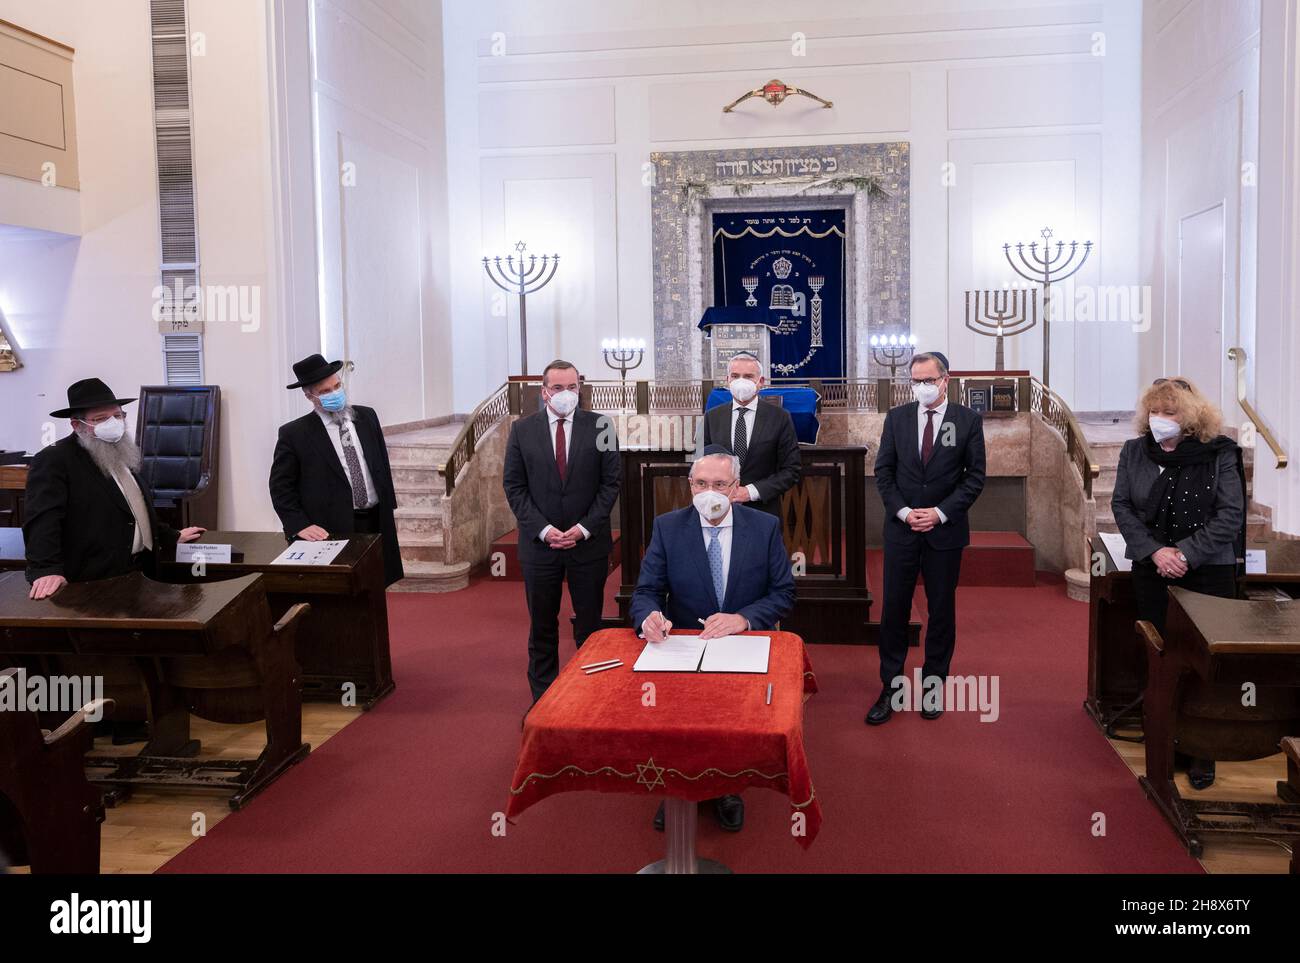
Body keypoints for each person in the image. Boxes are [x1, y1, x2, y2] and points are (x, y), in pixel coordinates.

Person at [630, 447, 796, 832]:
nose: (710, 492)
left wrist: (743, 618)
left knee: (731, 722)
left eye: (720, 484)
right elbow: (645, 592)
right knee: (677, 721)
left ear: (736, 487)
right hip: (683, 643)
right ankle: (674, 789)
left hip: (741, 645)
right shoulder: (668, 527)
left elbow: (784, 593)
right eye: (701, 483)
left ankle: (727, 787)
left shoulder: (763, 527)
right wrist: (649, 617)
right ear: (690, 486)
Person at [1110, 375, 1246, 790]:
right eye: (1154, 412)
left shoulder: (1219, 453)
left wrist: (1185, 553)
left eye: (1169, 413)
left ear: (1189, 419)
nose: (1159, 420)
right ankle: (1165, 739)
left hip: (1208, 568)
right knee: (1162, 654)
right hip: (1153, 568)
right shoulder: (1135, 451)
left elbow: (1230, 514)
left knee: (1204, 657)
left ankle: (1204, 750)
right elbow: (1121, 505)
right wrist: (1156, 551)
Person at [867, 351, 986, 725]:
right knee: (894, 611)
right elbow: (883, 471)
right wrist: (904, 512)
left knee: (940, 612)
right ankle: (891, 688)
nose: (921, 387)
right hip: (901, 530)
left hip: (944, 532)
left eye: (928, 380)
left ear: (945, 380)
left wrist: (938, 513)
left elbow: (974, 478)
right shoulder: (897, 418)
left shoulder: (967, 421)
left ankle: (934, 686)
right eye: (915, 381)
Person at [502, 360, 621, 703]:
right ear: (544, 392)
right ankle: (545, 701)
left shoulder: (601, 426)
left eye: (573, 387)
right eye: (558, 388)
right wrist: (543, 530)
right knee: (542, 628)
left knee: (588, 629)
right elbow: (514, 486)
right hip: (541, 548)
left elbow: (610, 484)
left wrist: (583, 529)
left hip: (588, 546)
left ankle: (588, 699)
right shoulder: (522, 431)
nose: (566, 394)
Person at [24, 378, 205, 600]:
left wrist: (171, 536)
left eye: (118, 416)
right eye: (100, 419)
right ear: (76, 424)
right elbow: (43, 519)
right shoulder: (55, 460)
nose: (113, 423)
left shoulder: (121, 450)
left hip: (142, 571)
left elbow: (134, 507)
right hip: (94, 580)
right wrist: (46, 569)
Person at [269, 354, 404, 586]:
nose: (335, 394)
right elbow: (281, 488)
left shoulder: (367, 416)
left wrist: (389, 507)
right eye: (324, 391)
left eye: (337, 386)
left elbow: (380, 463)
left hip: (376, 519)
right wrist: (299, 524)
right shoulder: (294, 434)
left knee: (377, 588)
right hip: (334, 525)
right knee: (345, 592)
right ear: (309, 396)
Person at [701, 352, 801, 517]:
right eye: (735, 376)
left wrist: (749, 492)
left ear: (760, 382)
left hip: (763, 512)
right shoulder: (712, 417)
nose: (740, 381)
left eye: (748, 376)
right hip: (718, 511)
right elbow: (700, 463)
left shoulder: (780, 417)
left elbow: (791, 470)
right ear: (727, 380)